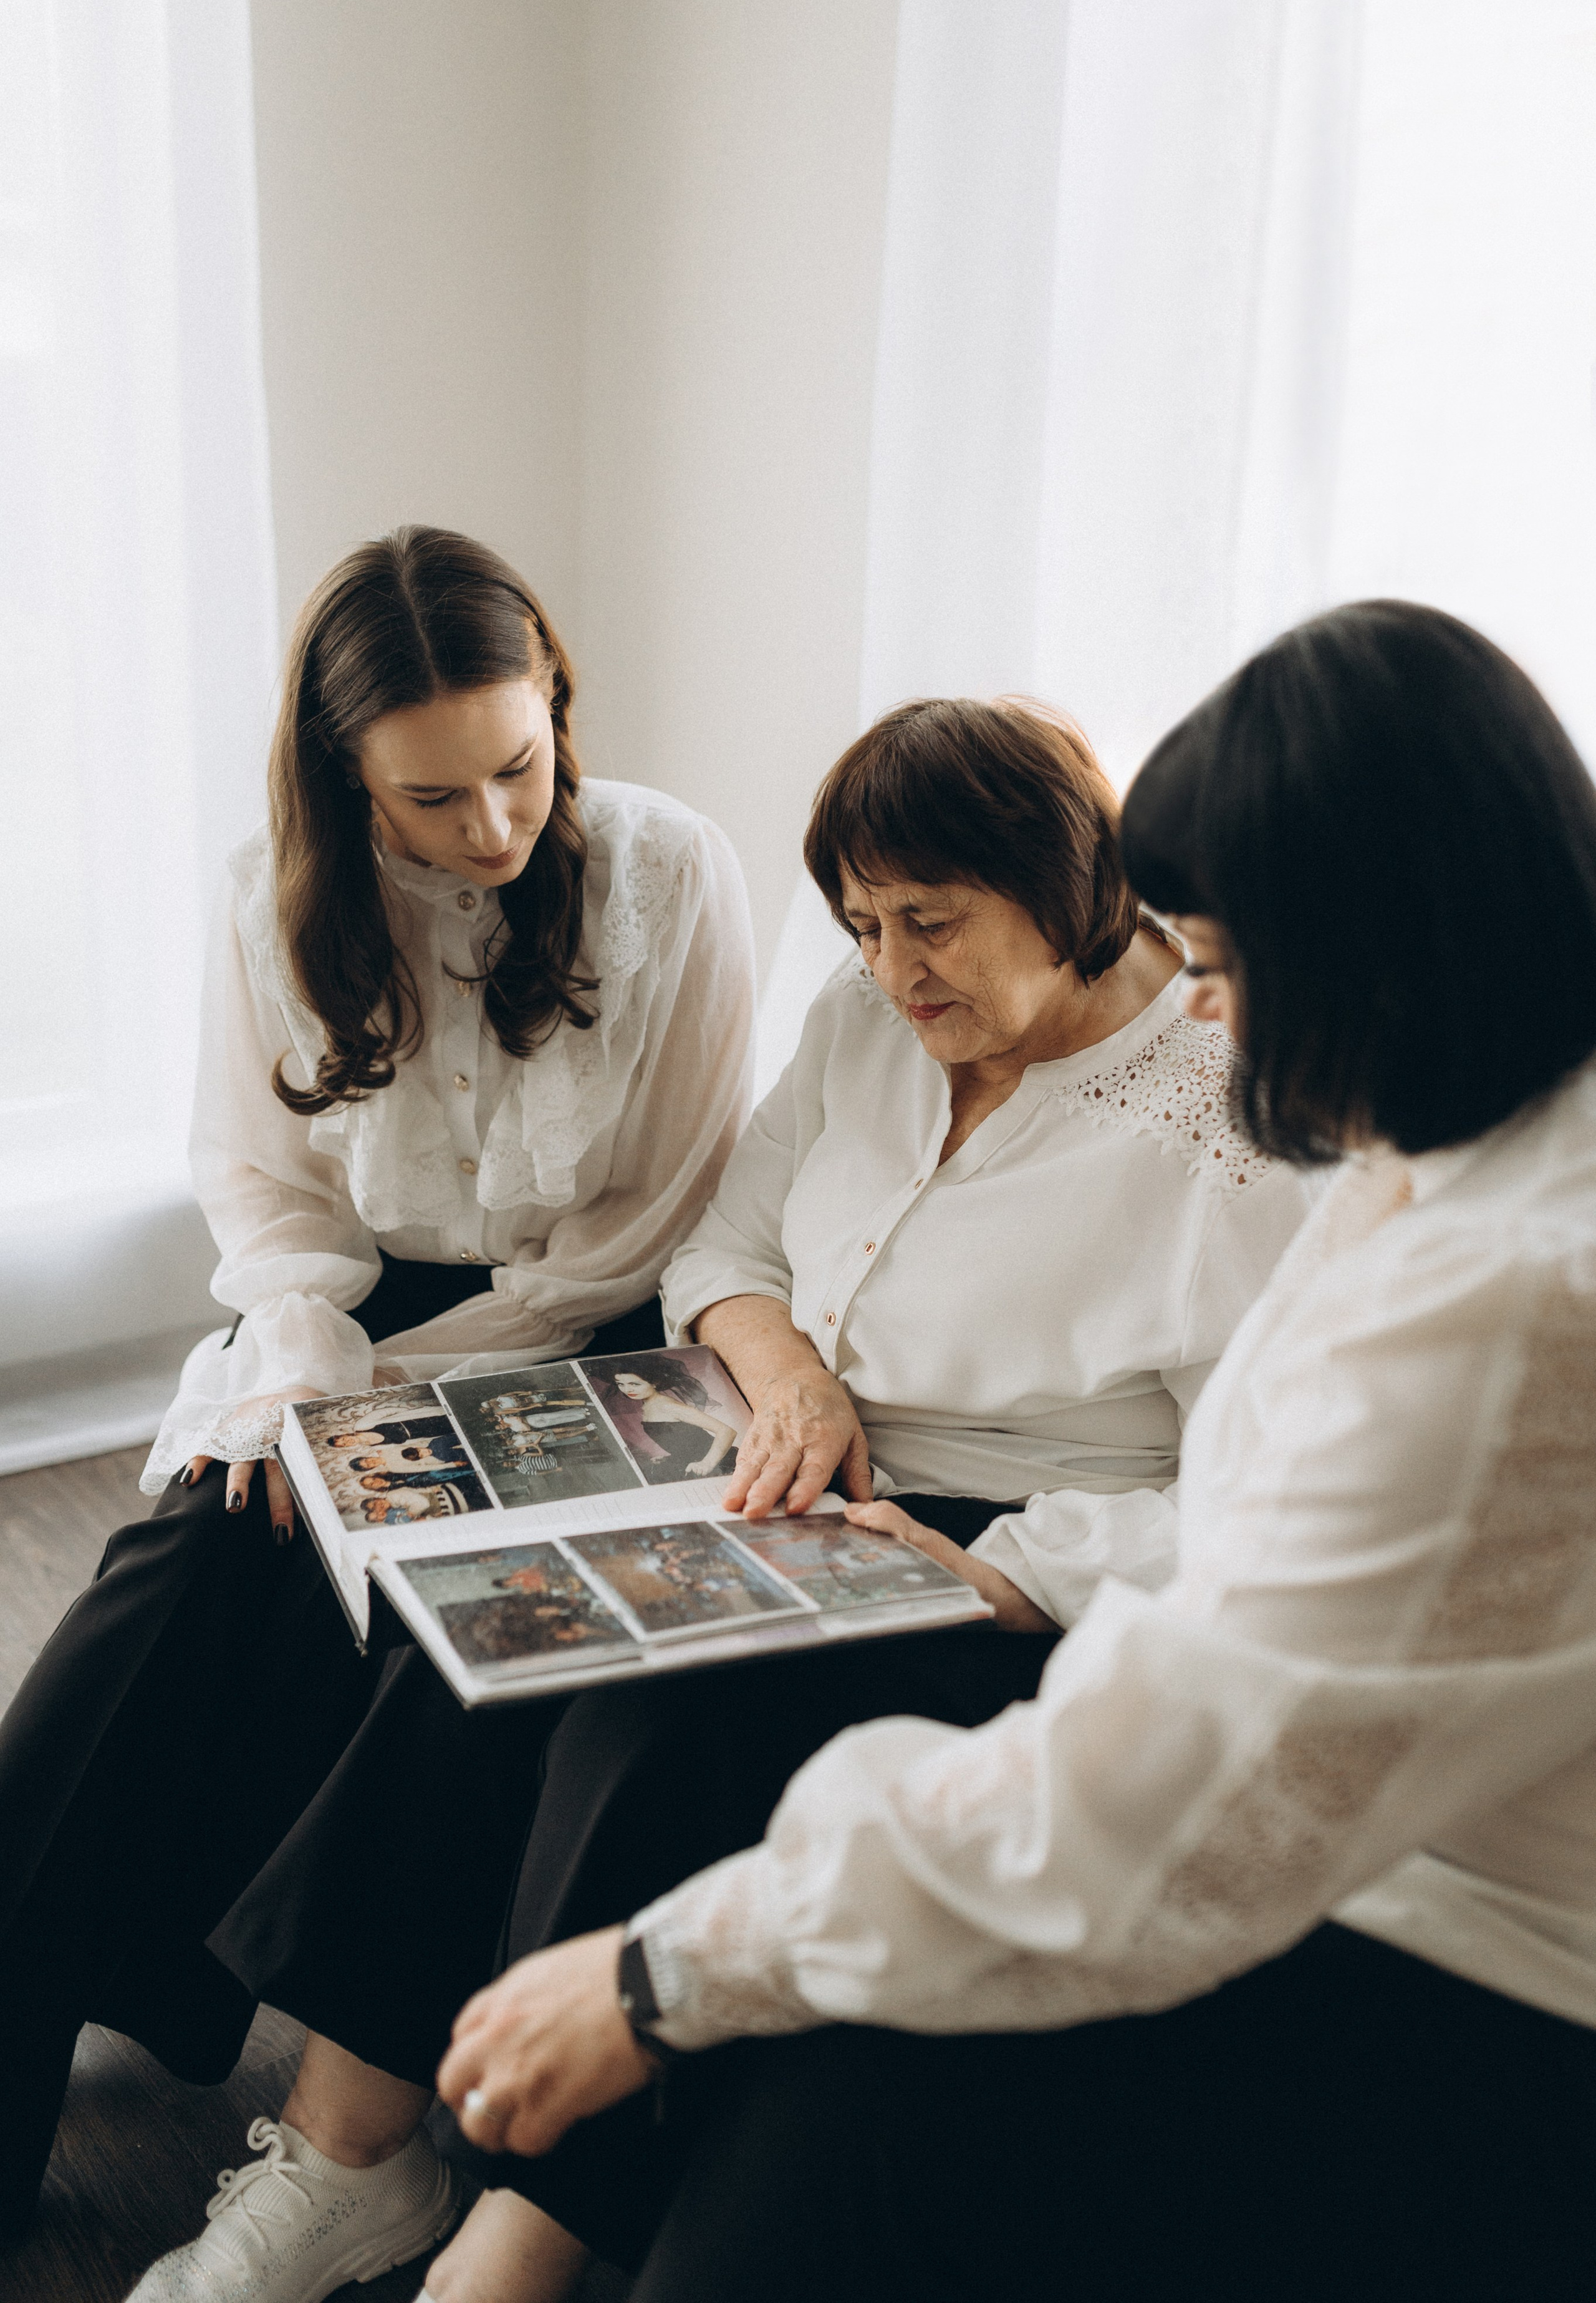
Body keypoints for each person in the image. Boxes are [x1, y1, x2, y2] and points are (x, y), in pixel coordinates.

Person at [430, 601, 1596, 2303]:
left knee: (851, 2107)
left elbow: (1164, 1807)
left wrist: (660, 1973)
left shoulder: (1507, 1300)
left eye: (1223, 965)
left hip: (1483, 1983)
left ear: (1383, 946)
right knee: (814, 2010)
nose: (1210, 1020)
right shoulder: (1456, 1145)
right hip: (1346, 1841)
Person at [119, 696, 1307, 2303]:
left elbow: (1259, 1486)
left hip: (1010, 1560)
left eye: (933, 924)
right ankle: (349, 2154)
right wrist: (786, 1366)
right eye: (866, 925)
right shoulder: (872, 1010)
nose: (896, 971)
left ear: (1071, 880)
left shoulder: (1227, 1116)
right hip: (779, 1452)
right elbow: (724, 1247)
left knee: (651, 1728)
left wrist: (1008, 1572)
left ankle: (516, 2239)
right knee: (483, 1637)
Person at [0, 525, 755, 2249]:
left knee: (383, 1603)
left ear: (558, 704)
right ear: (346, 780)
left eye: (518, 766)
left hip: (603, 1320)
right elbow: (262, 1191)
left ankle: (323, 2111)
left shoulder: (672, 872)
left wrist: (389, 1392)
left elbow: (649, 1219)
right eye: (430, 800)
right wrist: (310, 1366)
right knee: (176, 1585)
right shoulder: (268, 893)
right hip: (348, 1314)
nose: (490, 828)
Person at [598, 1355, 740, 1479]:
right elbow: (685, 1442)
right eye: (620, 1384)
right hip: (690, 1464)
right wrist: (672, 1458)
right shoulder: (646, 1405)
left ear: (655, 1383)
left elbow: (726, 1431)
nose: (628, 1390)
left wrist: (707, 1463)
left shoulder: (668, 1406)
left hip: (723, 1463)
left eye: (635, 1384)